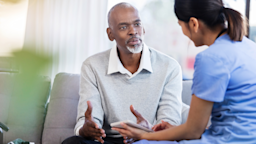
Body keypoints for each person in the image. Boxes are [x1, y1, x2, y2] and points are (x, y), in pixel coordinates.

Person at [112, 0, 256, 144]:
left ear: (194, 24)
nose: (184, 33)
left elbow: (194, 131)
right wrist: (173, 131)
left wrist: (143, 135)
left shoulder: (210, 58)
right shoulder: (249, 47)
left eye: (181, 26)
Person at [62, 2, 184, 144]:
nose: (133, 31)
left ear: (143, 29)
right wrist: (87, 129)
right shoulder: (92, 66)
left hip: (148, 140)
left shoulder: (170, 67)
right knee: (72, 142)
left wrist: (148, 131)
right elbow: (89, 121)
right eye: (124, 27)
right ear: (110, 34)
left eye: (137, 24)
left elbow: (169, 123)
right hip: (107, 141)